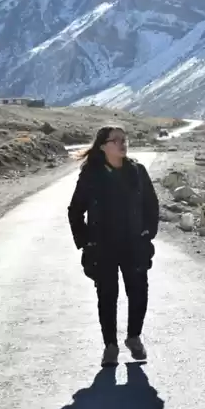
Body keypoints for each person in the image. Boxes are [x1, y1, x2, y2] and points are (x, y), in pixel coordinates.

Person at [67, 125, 160, 367]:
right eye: (115, 139)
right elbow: (75, 211)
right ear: (103, 146)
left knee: (138, 291)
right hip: (103, 246)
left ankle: (134, 337)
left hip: (134, 244)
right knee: (107, 295)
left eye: (124, 138)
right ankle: (110, 345)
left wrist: (148, 233)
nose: (122, 143)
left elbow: (152, 205)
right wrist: (85, 241)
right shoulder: (91, 175)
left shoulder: (137, 171)